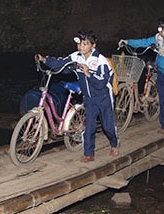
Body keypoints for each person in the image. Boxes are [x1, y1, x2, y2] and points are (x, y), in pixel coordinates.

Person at [35, 30, 119, 162]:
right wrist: (45, 60)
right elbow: (60, 63)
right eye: (80, 44)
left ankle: (114, 143)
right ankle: (88, 154)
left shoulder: (100, 61)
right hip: (89, 98)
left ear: (93, 46)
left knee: (108, 126)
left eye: (85, 44)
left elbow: (102, 83)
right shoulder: (76, 56)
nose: (81, 47)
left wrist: (88, 74)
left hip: (103, 97)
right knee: (89, 126)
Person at [119, 16, 164, 134]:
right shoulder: (158, 38)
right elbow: (144, 42)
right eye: (160, 30)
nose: (162, 33)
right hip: (161, 72)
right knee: (162, 100)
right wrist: (127, 41)